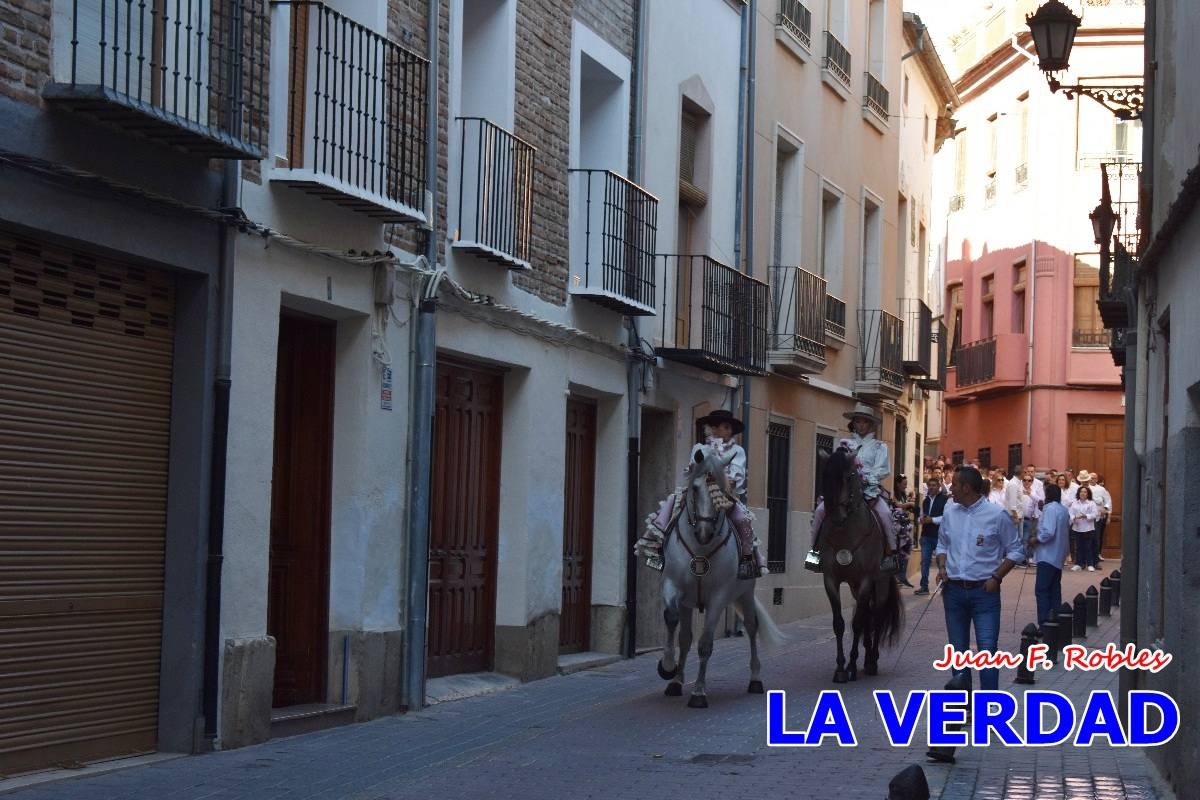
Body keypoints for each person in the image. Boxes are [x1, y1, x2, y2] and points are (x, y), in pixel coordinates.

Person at [637, 409, 768, 578]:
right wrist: (696, 472)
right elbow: (692, 469)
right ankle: (656, 549)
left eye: (729, 428)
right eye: (725, 427)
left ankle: (746, 559)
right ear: (713, 429)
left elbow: (737, 474)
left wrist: (724, 482)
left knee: (742, 519)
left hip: (723, 494)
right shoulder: (700, 448)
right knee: (671, 505)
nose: (728, 431)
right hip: (699, 490)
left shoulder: (737, 451)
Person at [935, 466, 1024, 690]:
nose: (950, 489)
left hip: (984, 592)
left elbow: (1016, 550)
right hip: (953, 592)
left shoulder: (996, 515)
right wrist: (942, 567)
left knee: (987, 651)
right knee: (958, 651)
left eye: (954, 484)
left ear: (966, 488)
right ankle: (961, 706)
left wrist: (997, 577)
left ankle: (989, 711)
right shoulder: (950, 512)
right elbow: (942, 544)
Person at [807, 402, 898, 572]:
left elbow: (883, 470)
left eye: (864, 422)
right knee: (820, 512)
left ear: (870, 424)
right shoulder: (844, 445)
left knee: (885, 515)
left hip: (869, 493)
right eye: (858, 421)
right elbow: (836, 467)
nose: (861, 425)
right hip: (844, 492)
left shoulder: (880, 446)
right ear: (853, 424)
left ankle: (890, 555)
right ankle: (814, 554)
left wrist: (867, 479)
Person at [1030, 483, 1071, 626]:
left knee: (1042, 590)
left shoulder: (1050, 509)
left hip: (1047, 555)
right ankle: (1055, 619)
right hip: (1058, 555)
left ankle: (1044, 622)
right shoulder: (1063, 510)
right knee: (1054, 589)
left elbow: (1048, 531)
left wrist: (1036, 539)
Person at [915, 475, 949, 595]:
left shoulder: (945, 499)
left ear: (939, 487)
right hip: (926, 535)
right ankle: (924, 586)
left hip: (940, 536)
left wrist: (932, 520)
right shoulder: (925, 501)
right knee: (925, 561)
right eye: (929, 485)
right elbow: (921, 516)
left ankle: (944, 586)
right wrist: (921, 520)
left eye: (934, 485)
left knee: (942, 562)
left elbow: (946, 517)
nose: (931, 487)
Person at [1069, 485, 1101, 572]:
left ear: (1088, 494)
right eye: (1081, 491)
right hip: (1077, 528)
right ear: (1078, 493)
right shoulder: (1075, 503)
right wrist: (1074, 517)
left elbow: (1095, 514)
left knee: (1088, 547)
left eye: (1085, 492)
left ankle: (1090, 564)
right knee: (1078, 547)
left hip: (1088, 528)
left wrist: (1085, 516)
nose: (1082, 493)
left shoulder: (1091, 503)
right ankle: (1078, 564)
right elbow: (1070, 513)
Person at [892, 475, 916, 587]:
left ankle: (902, 575)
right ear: (898, 484)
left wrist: (911, 498)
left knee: (906, 550)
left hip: (904, 526)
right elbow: (897, 505)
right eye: (904, 484)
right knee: (897, 551)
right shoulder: (893, 494)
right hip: (896, 527)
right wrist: (909, 504)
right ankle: (897, 576)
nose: (905, 487)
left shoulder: (903, 495)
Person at [1090, 474, 1112, 562]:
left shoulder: (1101, 489)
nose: (1092, 480)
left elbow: (1108, 501)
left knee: (1096, 537)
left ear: (1097, 479)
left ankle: (1096, 556)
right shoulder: (1084, 487)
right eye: (1091, 478)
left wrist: (1105, 509)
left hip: (1098, 517)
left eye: (1094, 478)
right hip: (1086, 517)